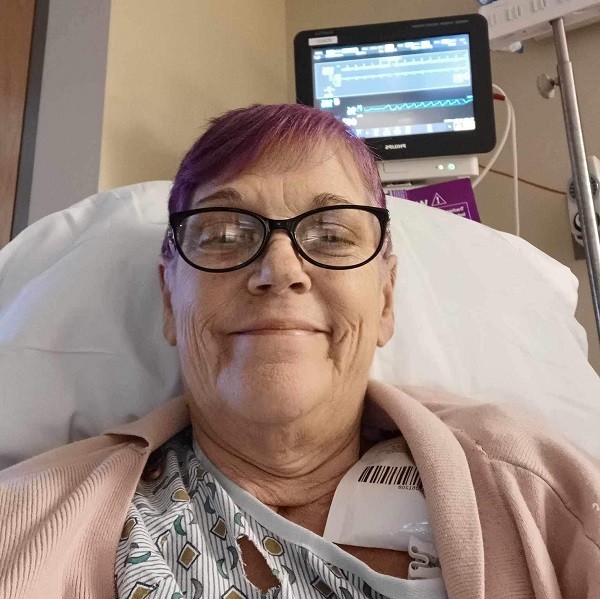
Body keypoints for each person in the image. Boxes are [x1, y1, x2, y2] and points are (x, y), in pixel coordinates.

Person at [1, 104, 599, 599]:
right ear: (168, 300)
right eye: (225, 233)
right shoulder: (25, 520)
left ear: (385, 300)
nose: (280, 269)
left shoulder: (538, 489)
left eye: (332, 235)